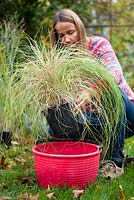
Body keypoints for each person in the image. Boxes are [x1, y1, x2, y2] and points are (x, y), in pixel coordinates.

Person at [48, 8, 134, 179]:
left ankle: (114, 163)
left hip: (126, 116)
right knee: (55, 119)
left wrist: (91, 91)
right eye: (61, 36)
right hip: (95, 120)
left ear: (79, 27)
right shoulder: (63, 61)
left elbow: (115, 75)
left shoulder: (98, 44)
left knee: (111, 90)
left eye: (70, 32)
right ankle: (80, 156)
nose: (66, 39)